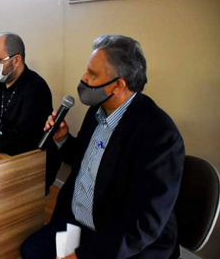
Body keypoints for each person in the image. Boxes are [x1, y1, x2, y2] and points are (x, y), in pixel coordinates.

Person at [21, 35, 185, 259]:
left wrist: (81, 256)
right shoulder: (98, 110)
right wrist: (62, 139)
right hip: (81, 221)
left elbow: (143, 224)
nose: (83, 78)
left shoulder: (159, 135)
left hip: (121, 240)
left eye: (92, 74)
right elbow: (87, 161)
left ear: (118, 85)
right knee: (31, 251)